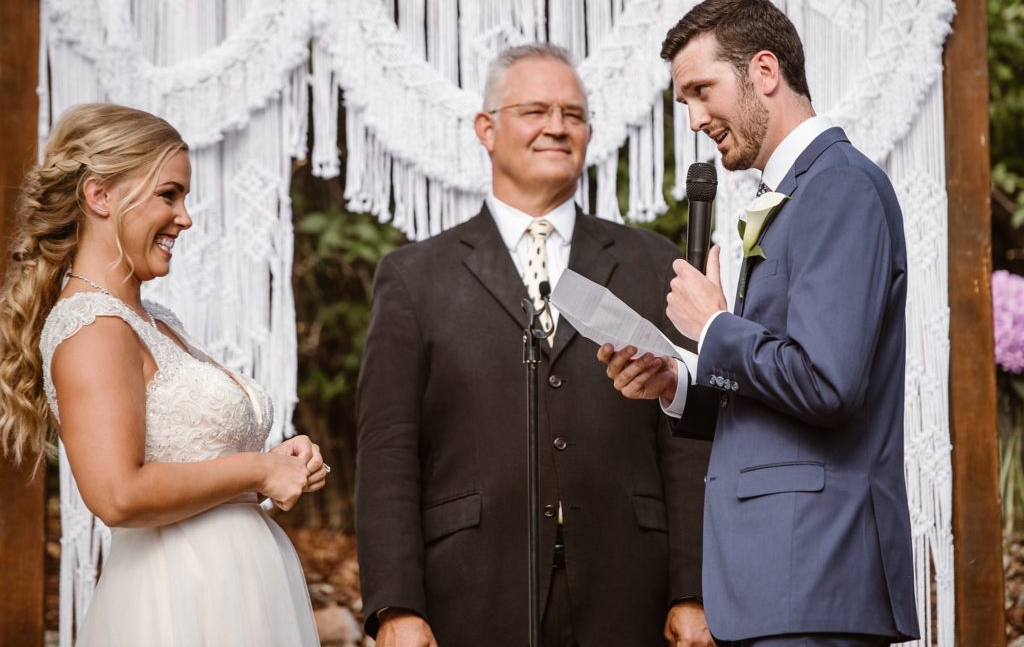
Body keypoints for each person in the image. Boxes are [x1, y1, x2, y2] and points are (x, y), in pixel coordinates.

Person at [355, 43, 714, 647]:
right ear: (486, 129)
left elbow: (687, 443)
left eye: (573, 115)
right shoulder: (414, 277)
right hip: (470, 592)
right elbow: (388, 449)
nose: (557, 127)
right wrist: (396, 607)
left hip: (632, 593)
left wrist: (695, 588)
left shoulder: (653, 263)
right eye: (535, 111)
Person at [599, 0, 920, 646]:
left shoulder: (839, 186)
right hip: (775, 584)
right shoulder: (795, 192)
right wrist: (680, 382)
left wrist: (715, 326)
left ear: (765, 71)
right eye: (685, 101)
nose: (695, 119)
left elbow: (827, 384)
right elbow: (779, 384)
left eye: (701, 91)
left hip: (817, 574)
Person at [0, 103, 326, 646]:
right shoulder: (92, 327)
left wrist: (277, 463)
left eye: (184, 197)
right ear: (100, 196)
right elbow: (117, 494)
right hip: (179, 599)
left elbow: (192, 463)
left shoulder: (153, 320)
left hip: (236, 589)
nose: (185, 217)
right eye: (168, 195)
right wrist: (257, 470)